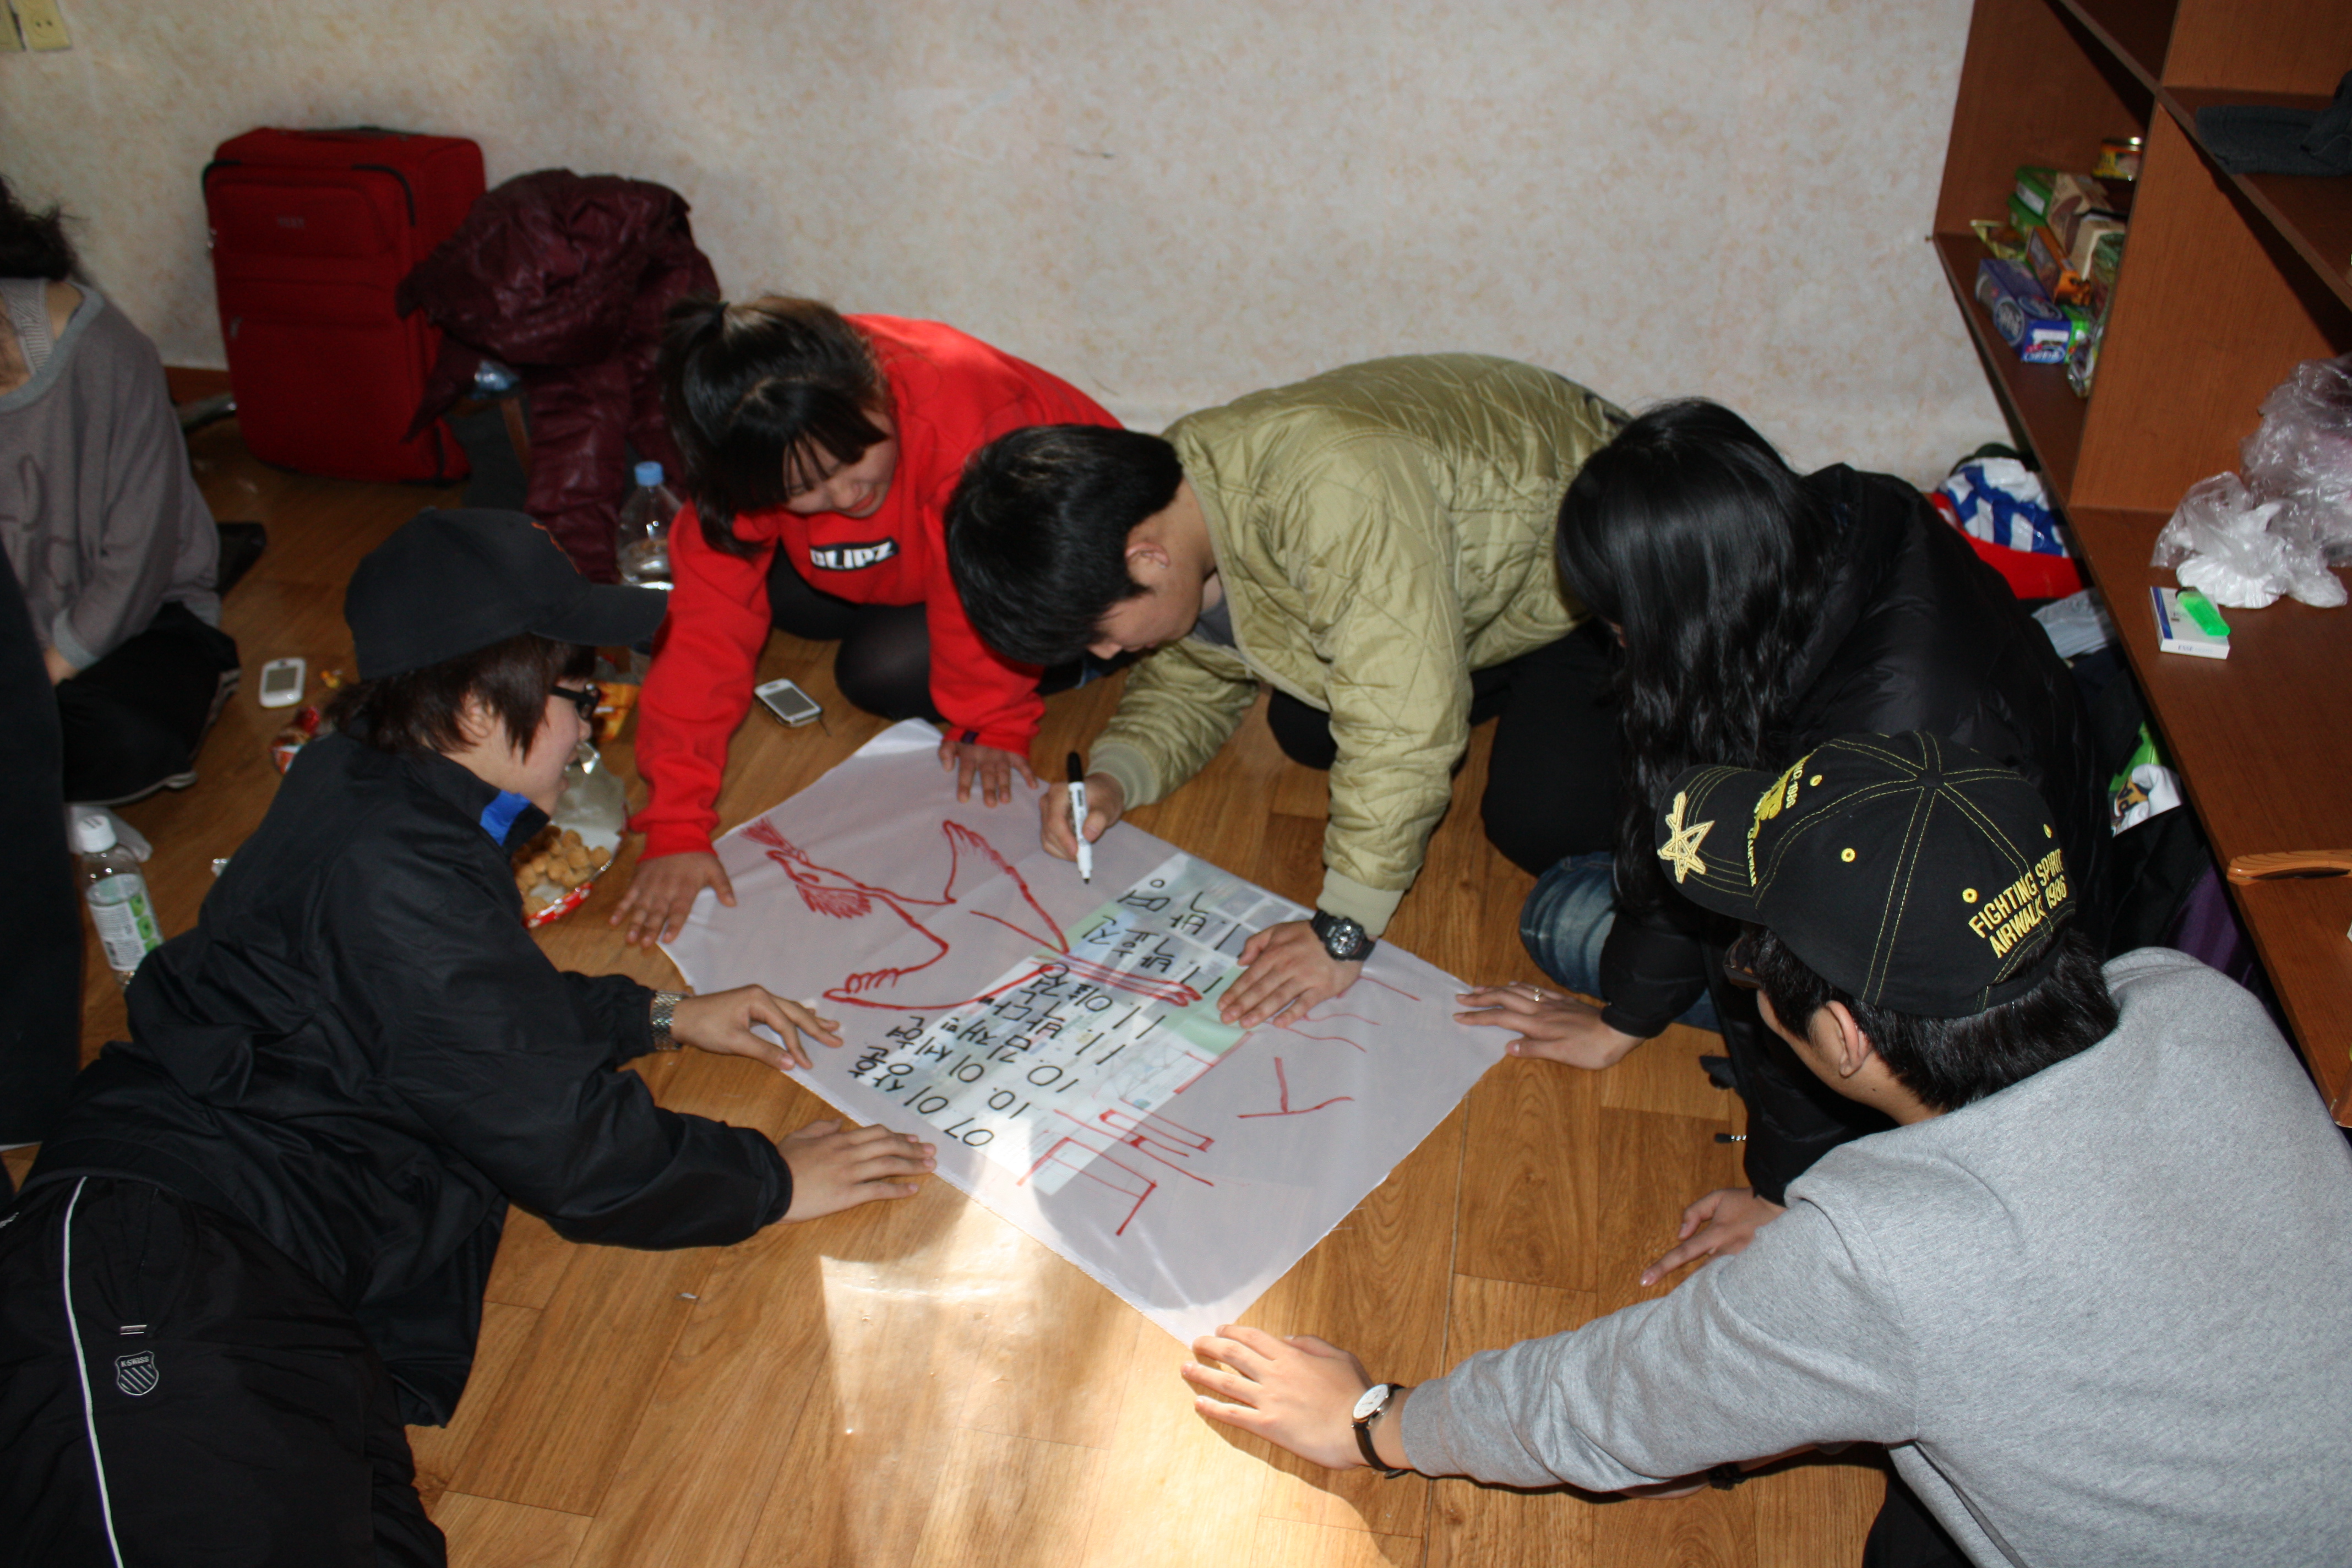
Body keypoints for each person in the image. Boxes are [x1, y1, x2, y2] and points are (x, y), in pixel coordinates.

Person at [0, 509, 936, 1566]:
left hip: (266, 1243)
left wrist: (656, 1014)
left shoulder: (371, 781)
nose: (591, 728)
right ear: (483, 705)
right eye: (581, 697)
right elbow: (569, 1146)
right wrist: (768, 1178)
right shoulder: (403, 870)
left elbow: (449, 1011)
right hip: (153, 1251)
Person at [1182, 732, 2352, 1567]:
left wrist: (1373, 1420)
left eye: (1751, 960)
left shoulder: (1887, 1261)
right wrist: (1835, 1260)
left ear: (1841, 1034)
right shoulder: (2193, 999)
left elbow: (1609, 1403)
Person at [1456, 400, 2107, 1240]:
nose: (1616, 645)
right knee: (1592, 915)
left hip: (1954, 1017)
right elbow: (1694, 804)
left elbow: (1822, 1000)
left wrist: (1779, 1190)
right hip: (1913, 909)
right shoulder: (1833, 525)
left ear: (1687, 616)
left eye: (1623, 627)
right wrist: (1625, 1017)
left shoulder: (1877, 752)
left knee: (1562, 921)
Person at [945, 355, 1628, 1028]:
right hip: (1469, 583)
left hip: (1594, 578)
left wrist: (1344, 928)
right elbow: (1196, 662)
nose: (1103, 654)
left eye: (1098, 631)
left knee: (1538, 820)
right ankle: (1451, 673)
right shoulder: (1162, 498)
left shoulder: (1332, 496)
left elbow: (1401, 727)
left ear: (1147, 558)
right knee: (1309, 727)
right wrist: (1115, 777)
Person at [617, 297, 1119, 948]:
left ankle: (1083, 661)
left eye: (852, 458)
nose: (846, 494)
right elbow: (699, 642)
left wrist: (992, 721)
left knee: (877, 671)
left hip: (1053, 554)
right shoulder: (751, 466)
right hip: (922, 536)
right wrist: (674, 824)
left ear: (875, 390)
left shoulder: (962, 415)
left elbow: (983, 580)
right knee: (779, 596)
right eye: (804, 488)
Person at [0, 176, 239, 805]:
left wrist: (33, 684)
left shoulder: (100, 349)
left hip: (129, 624)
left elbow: (139, 560)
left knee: (120, 737)